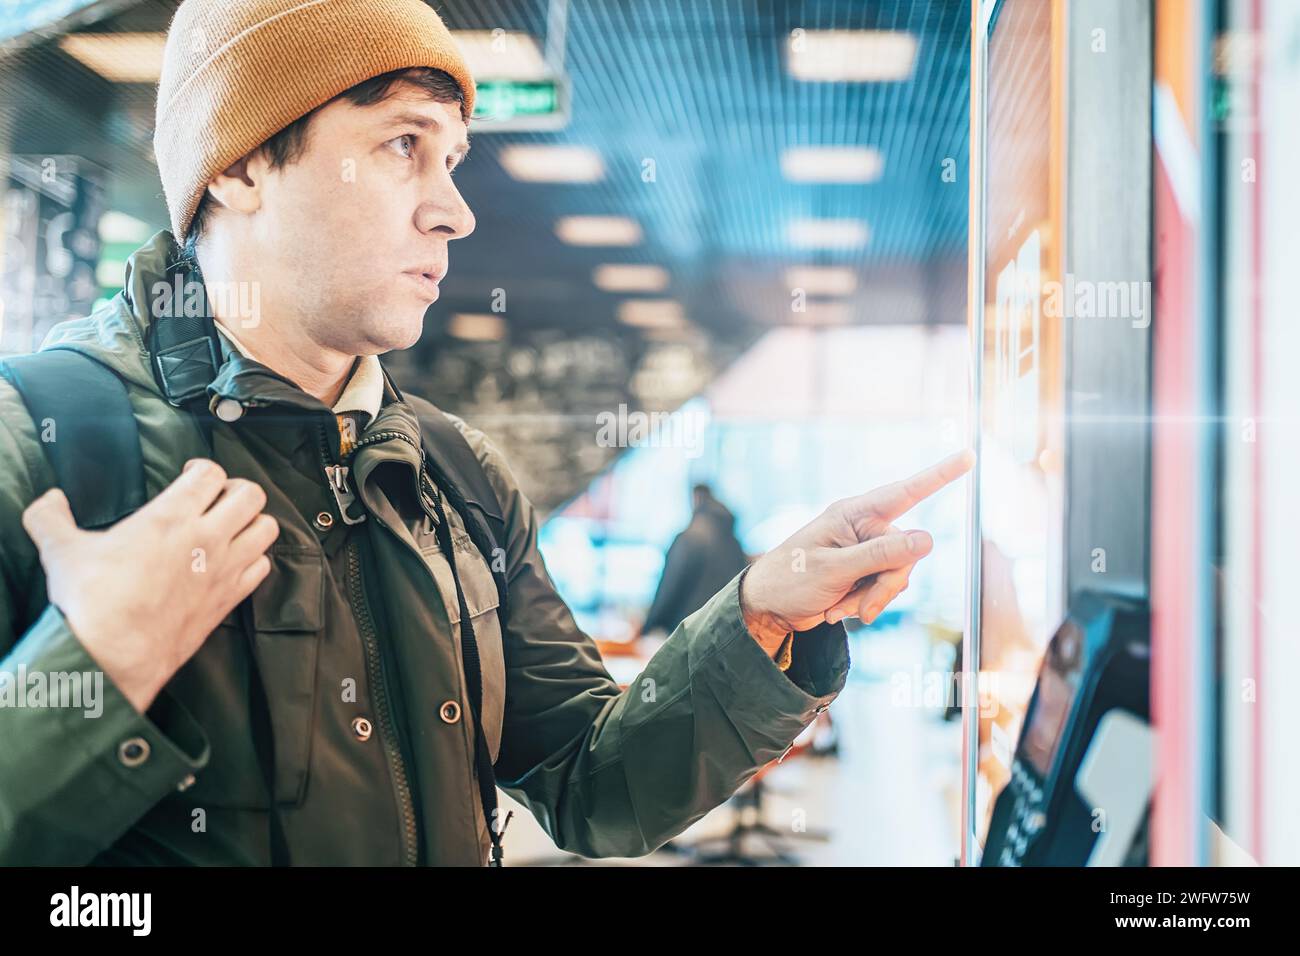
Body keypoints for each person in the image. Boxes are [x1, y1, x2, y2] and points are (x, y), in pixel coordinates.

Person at [0, 0, 972, 866]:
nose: (453, 210)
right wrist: (90, 671)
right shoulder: (37, 451)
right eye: (400, 145)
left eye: (452, 158)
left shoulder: (453, 475)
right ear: (244, 162)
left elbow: (594, 788)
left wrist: (760, 615)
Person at [643, 484, 750, 636]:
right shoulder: (735, 544)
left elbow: (670, 587)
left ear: (695, 499)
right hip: (722, 635)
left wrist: (649, 625)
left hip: (685, 632)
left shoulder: (690, 538)